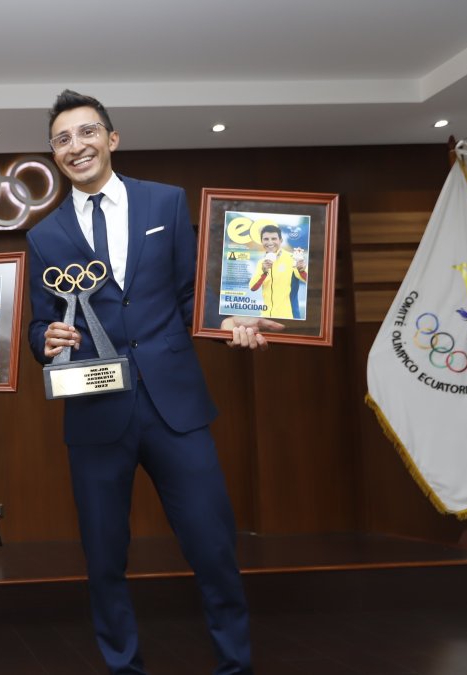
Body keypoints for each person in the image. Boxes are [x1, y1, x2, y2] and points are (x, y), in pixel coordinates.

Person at [26, 89, 279, 675]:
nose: (75, 146)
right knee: (104, 560)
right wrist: (46, 340)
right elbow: (39, 324)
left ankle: (235, 665)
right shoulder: (44, 236)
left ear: (112, 139)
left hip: (176, 407)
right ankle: (124, 667)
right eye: (62, 139)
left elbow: (193, 295)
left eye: (87, 132)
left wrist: (229, 322)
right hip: (95, 413)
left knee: (213, 549)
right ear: (54, 154)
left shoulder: (165, 201)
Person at [249, 224, 307, 319]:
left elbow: (308, 279)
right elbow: (253, 287)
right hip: (266, 317)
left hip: (289, 317)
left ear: (281, 240)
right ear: (261, 241)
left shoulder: (293, 258)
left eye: (274, 239)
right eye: (266, 239)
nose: (270, 242)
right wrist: (264, 272)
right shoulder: (261, 262)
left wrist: (302, 270)